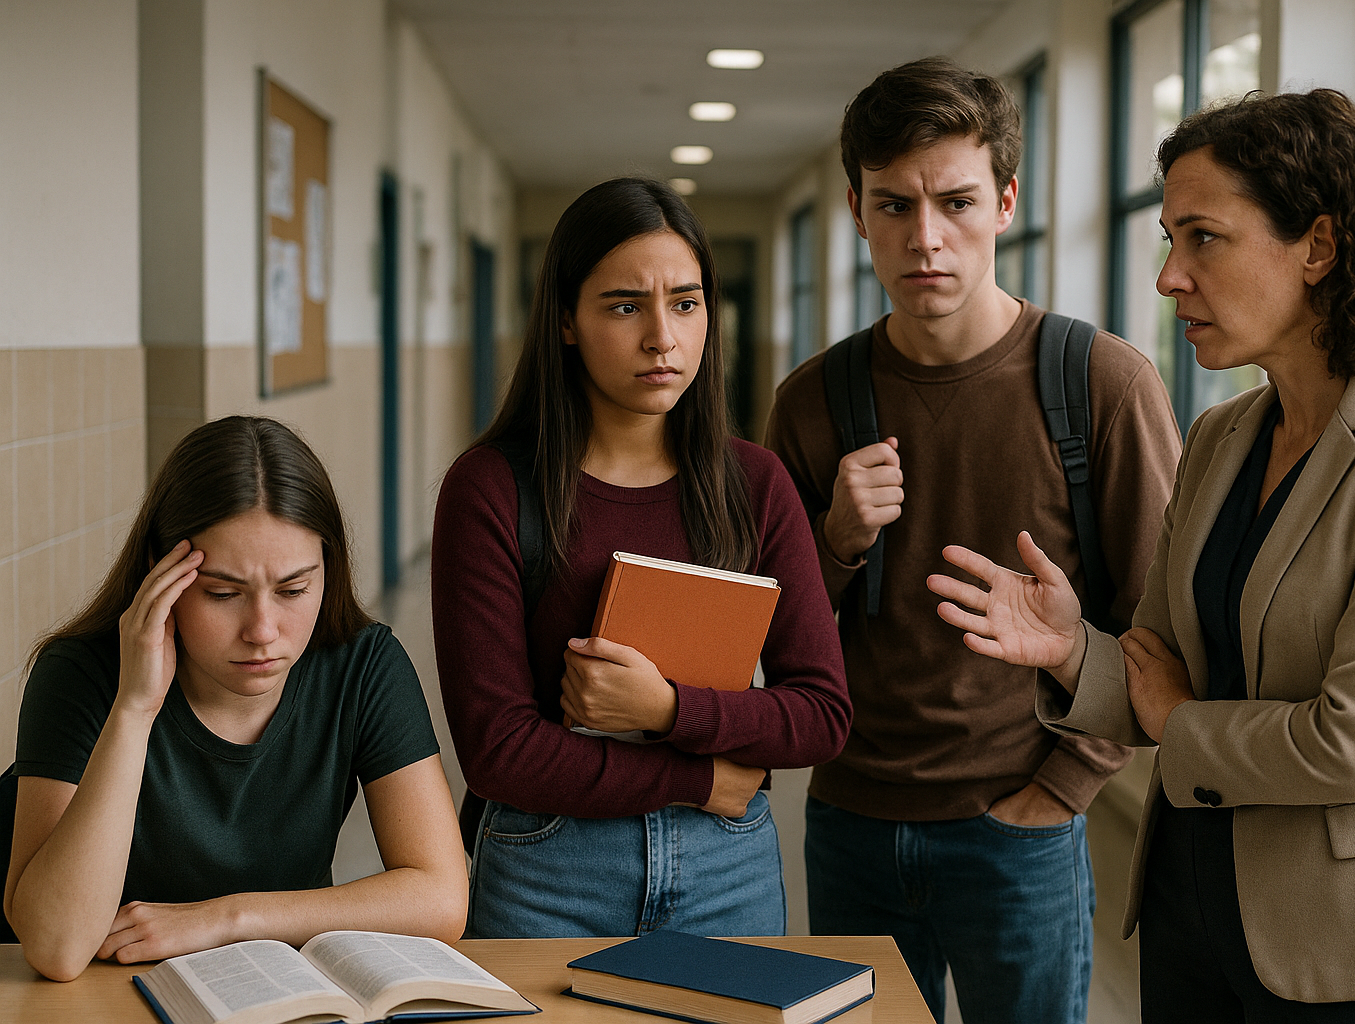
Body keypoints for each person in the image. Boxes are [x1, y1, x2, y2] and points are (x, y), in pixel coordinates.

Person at [928, 88, 1355, 1022]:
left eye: (1203, 237)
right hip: (1194, 908)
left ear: (1318, 247)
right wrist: (1072, 648)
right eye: (1170, 238)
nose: (1171, 276)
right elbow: (1158, 668)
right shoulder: (1222, 434)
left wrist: (1178, 718)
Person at [764, 57, 1182, 1024]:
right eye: (893, 206)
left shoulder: (1102, 384)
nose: (926, 239)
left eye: (954, 202)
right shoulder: (815, 402)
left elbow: (1159, 627)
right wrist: (834, 538)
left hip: (1021, 828)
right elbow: (771, 640)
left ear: (1005, 202)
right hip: (851, 820)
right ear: (858, 212)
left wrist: (1063, 791)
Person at [432, 177, 850, 940]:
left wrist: (666, 709)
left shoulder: (755, 483)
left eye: (686, 303)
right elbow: (497, 751)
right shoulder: (491, 488)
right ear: (565, 319)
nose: (663, 336)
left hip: (728, 868)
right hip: (547, 869)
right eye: (626, 306)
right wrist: (696, 775)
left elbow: (822, 715)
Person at [5, 416, 467, 983]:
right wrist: (134, 707)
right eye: (223, 593)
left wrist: (229, 918)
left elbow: (441, 897)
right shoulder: (80, 674)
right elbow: (55, 948)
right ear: (161, 574)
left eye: (294, 589)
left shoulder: (360, 664)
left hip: (259, 983)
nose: (263, 630)